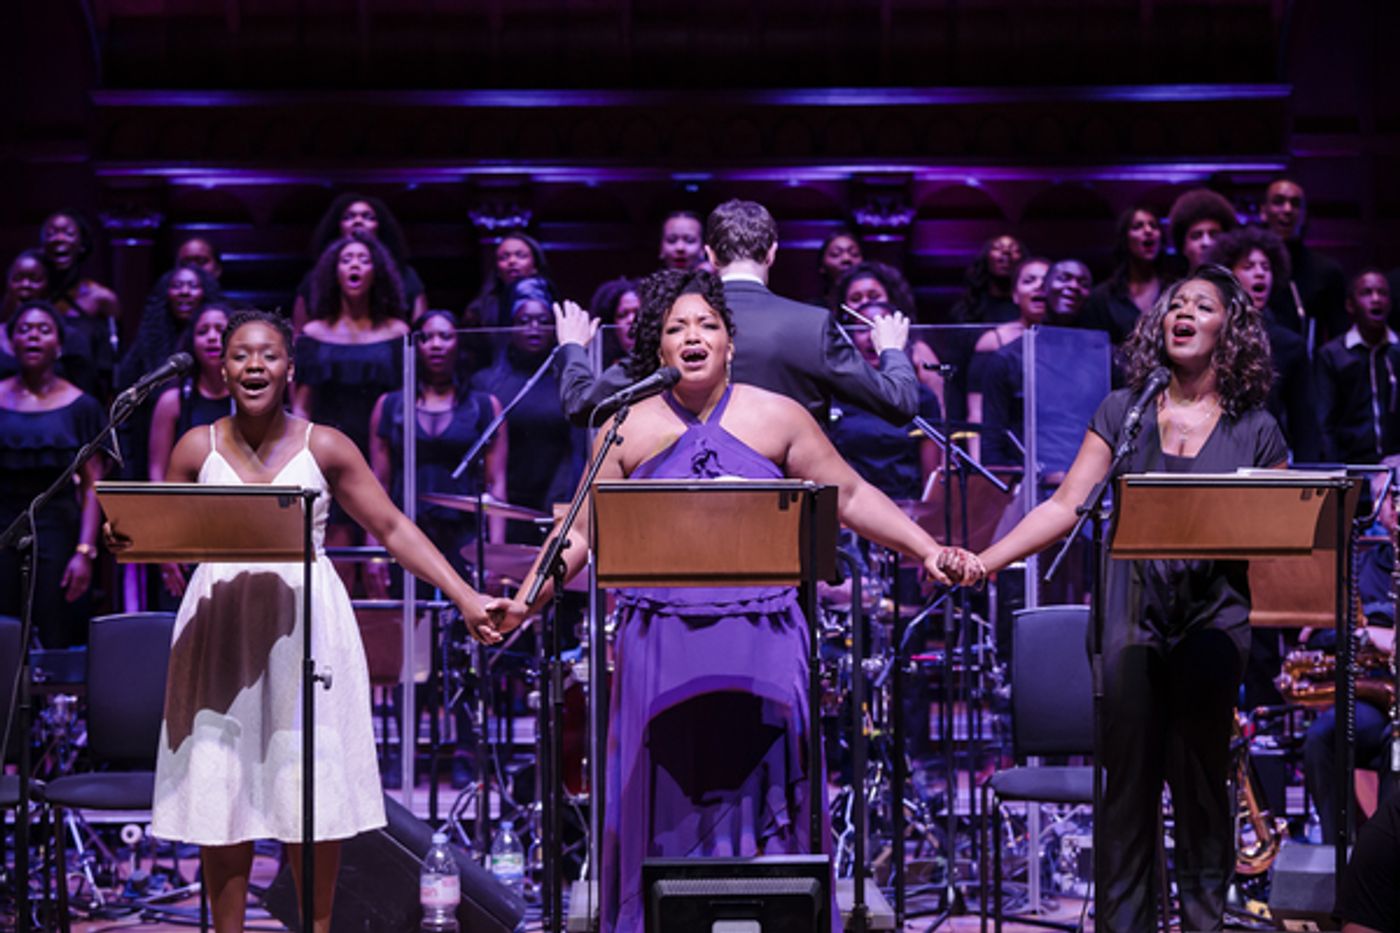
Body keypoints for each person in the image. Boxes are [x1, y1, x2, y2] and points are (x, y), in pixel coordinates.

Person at [477, 268, 981, 933]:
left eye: (707, 325)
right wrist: (527, 600)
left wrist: (926, 548)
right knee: (667, 801)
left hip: (763, 632)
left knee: (768, 793)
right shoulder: (623, 421)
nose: (692, 336)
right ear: (655, 347)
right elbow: (579, 533)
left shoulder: (778, 415)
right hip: (659, 640)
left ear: (730, 344)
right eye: (676, 327)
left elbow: (852, 496)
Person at [131, 309, 496, 933]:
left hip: (307, 627)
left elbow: (391, 528)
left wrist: (465, 596)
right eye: (241, 354)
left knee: (310, 784)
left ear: (290, 368)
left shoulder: (324, 445)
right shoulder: (197, 446)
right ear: (222, 368)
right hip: (221, 626)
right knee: (221, 783)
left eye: (268, 355)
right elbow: (170, 539)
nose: (254, 365)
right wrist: (138, 540)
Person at [977, 265, 1287, 931]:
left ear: (1228, 330)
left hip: (1212, 623)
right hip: (1129, 617)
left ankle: (1205, 921)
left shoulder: (1256, 427)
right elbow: (1066, 503)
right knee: (1127, 793)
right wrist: (984, 560)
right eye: (1176, 304)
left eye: (1203, 306)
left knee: (1203, 791)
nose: (1185, 313)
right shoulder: (1126, 410)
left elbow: (1283, 535)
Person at [556, 200, 920, 429]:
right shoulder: (812, 326)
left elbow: (583, 406)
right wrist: (891, 349)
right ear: (773, 254)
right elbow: (898, 404)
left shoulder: (676, 326)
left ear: (711, 256)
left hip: (690, 512)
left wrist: (573, 347)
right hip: (791, 518)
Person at [293, 233, 410, 585]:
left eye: (363, 258)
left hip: (384, 451)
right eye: (346, 260)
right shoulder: (313, 332)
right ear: (335, 273)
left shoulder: (397, 331)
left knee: (383, 564)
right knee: (336, 564)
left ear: (376, 271)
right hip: (329, 454)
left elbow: (405, 399)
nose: (355, 265)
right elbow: (301, 405)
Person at [0, 301, 104, 648]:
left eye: (43, 330)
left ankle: (56, 704)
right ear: (10, 341)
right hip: (3, 526)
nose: (33, 336)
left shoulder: (81, 405)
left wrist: (85, 550)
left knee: (55, 623)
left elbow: (93, 485)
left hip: (57, 528)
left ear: (59, 344)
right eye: (24, 330)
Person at [471, 276, 583, 539]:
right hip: (503, 497)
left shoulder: (569, 380)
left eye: (543, 321)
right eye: (524, 321)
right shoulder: (487, 382)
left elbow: (577, 448)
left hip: (555, 497)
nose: (534, 328)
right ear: (510, 328)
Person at [1206, 226, 1321, 463]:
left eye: (1266, 267)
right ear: (1229, 275)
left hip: (1267, 461)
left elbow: (1304, 423)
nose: (1260, 274)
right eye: (1248, 267)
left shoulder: (1289, 344)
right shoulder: (1209, 335)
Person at [147, 303, 234, 606]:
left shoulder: (251, 399)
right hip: (186, 530)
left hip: (237, 528)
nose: (212, 338)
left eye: (220, 331)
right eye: (202, 331)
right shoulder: (174, 402)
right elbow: (158, 476)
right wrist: (164, 546)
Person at [980, 258, 1094, 468]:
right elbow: (992, 444)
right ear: (1045, 290)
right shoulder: (1007, 359)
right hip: (1030, 487)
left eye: (1083, 283)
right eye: (1064, 279)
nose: (1073, 287)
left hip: (1093, 485)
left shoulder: (1105, 357)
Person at [291, 193, 428, 329]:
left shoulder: (406, 276)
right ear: (338, 226)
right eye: (348, 217)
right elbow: (298, 339)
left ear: (380, 226)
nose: (358, 221)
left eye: (368, 217)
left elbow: (421, 335)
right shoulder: (314, 279)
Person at [1314, 269, 1400, 464]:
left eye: (1382, 293)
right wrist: (1335, 471)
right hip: (1351, 466)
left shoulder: (1397, 351)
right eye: (1367, 293)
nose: (1376, 299)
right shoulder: (1333, 354)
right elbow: (1324, 422)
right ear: (1350, 305)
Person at [1259, 178, 1347, 341]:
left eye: (1295, 204)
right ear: (1263, 212)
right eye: (1278, 202)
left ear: (1304, 215)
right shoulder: (1248, 270)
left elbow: (1339, 338)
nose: (1287, 209)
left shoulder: (1327, 272)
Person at [1080, 207, 1173, 346]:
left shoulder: (1174, 291)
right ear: (1125, 239)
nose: (1148, 231)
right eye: (1138, 226)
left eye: (1153, 226)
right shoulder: (1103, 297)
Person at [1167, 188, 1238, 274]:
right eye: (1196, 236)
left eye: (1214, 235)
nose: (1206, 243)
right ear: (1183, 247)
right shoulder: (1176, 287)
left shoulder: (1238, 286)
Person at [814, 227, 864, 306]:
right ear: (822, 266)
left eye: (854, 254)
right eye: (835, 254)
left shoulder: (871, 307)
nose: (846, 259)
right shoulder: (812, 308)